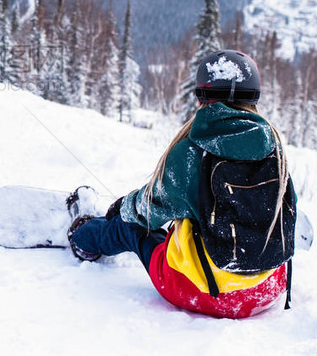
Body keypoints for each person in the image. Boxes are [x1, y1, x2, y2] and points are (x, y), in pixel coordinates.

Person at [68, 50, 295, 319]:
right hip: (267, 288)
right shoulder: (273, 147)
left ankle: (82, 237)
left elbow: (148, 211)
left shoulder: (192, 152)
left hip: (207, 293)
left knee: (130, 228)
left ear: (202, 98)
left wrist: (121, 207)